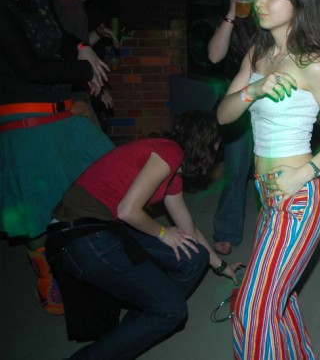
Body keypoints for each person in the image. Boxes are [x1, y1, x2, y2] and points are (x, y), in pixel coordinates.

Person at [217, 0, 320, 359]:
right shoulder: (258, 52)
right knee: (277, 298)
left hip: (300, 196)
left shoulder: (314, 64)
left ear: (297, 1)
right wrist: (253, 91)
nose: (260, 1)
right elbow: (223, 114)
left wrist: (301, 176)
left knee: (251, 308)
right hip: (268, 194)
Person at [45, 110, 239, 360]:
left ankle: (147, 317)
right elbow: (128, 210)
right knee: (172, 310)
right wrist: (161, 232)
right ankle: (159, 313)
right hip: (77, 235)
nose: (217, 151)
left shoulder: (173, 175)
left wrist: (221, 266)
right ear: (204, 142)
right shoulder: (169, 151)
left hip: (104, 228)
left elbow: (189, 229)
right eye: (216, 144)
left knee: (194, 257)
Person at [0, 0, 113, 315]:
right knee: (38, 210)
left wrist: (82, 47)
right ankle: (49, 281)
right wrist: (84, 69)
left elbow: (61, 38)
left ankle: (100, 265)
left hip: (62, 117)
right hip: (26, 127)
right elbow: (29, 67)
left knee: (105, 181)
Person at [208, 0, 271, 256]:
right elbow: (214, 56)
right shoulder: (233, 16)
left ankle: (274, 229)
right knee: (236, 167)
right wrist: (232, 12)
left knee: (269, 170)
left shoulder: (274, 11)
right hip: (239, 100)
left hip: (270, 98)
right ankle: (227, 230)